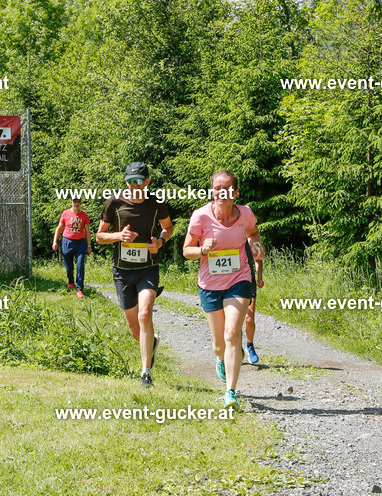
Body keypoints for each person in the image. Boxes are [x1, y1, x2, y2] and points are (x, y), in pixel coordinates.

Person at [183, 170, 264, 409]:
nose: (222, 192)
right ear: (212, 191)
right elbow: (187, 250)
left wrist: (256, 247)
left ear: (235, 192)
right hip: (210, 285)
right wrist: (202, 250)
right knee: (219, 343)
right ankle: (220, 357)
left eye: (227, 188)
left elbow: (253, 233)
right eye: (217, 188)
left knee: (232, 334)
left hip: (239, 279)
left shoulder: (245, 213)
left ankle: (230, 392)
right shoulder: (200, 217)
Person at [96, 162, 173, 389]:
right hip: (122, 271)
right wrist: (119, 235)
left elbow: (168, 228)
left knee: (145, 314)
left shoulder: (156, 203)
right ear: (126, 181)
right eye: (131, 181)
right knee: (133, 328)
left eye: (139, 181)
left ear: (147, 182)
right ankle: (152, 343)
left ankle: (145, 372)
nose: (134, 185)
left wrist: (160, 241)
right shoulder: (114, 202)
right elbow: (100, 236)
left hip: (148, 268)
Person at [52, 195, 91, 298]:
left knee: (80, 266)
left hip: (80, 243)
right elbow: (59, 228)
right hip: (67, 242)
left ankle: (79, 289)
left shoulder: (84, 215)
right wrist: (55, 241)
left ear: (80, 203)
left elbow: (87, 231)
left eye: (78, 201)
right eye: (74, 201)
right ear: (71, 202)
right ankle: (71, 282)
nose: (76, 203)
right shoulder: (65, 213)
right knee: (69, 268)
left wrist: (88, 245)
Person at [244, 238, 265, 364]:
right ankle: (236, 348)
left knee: (249, 319)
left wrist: (259, 277)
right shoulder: (225, 235)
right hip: (230, 281)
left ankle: (250, 346)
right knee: (234, 320)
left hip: (248, 280)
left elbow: (258, 259)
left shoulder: (249, 239)